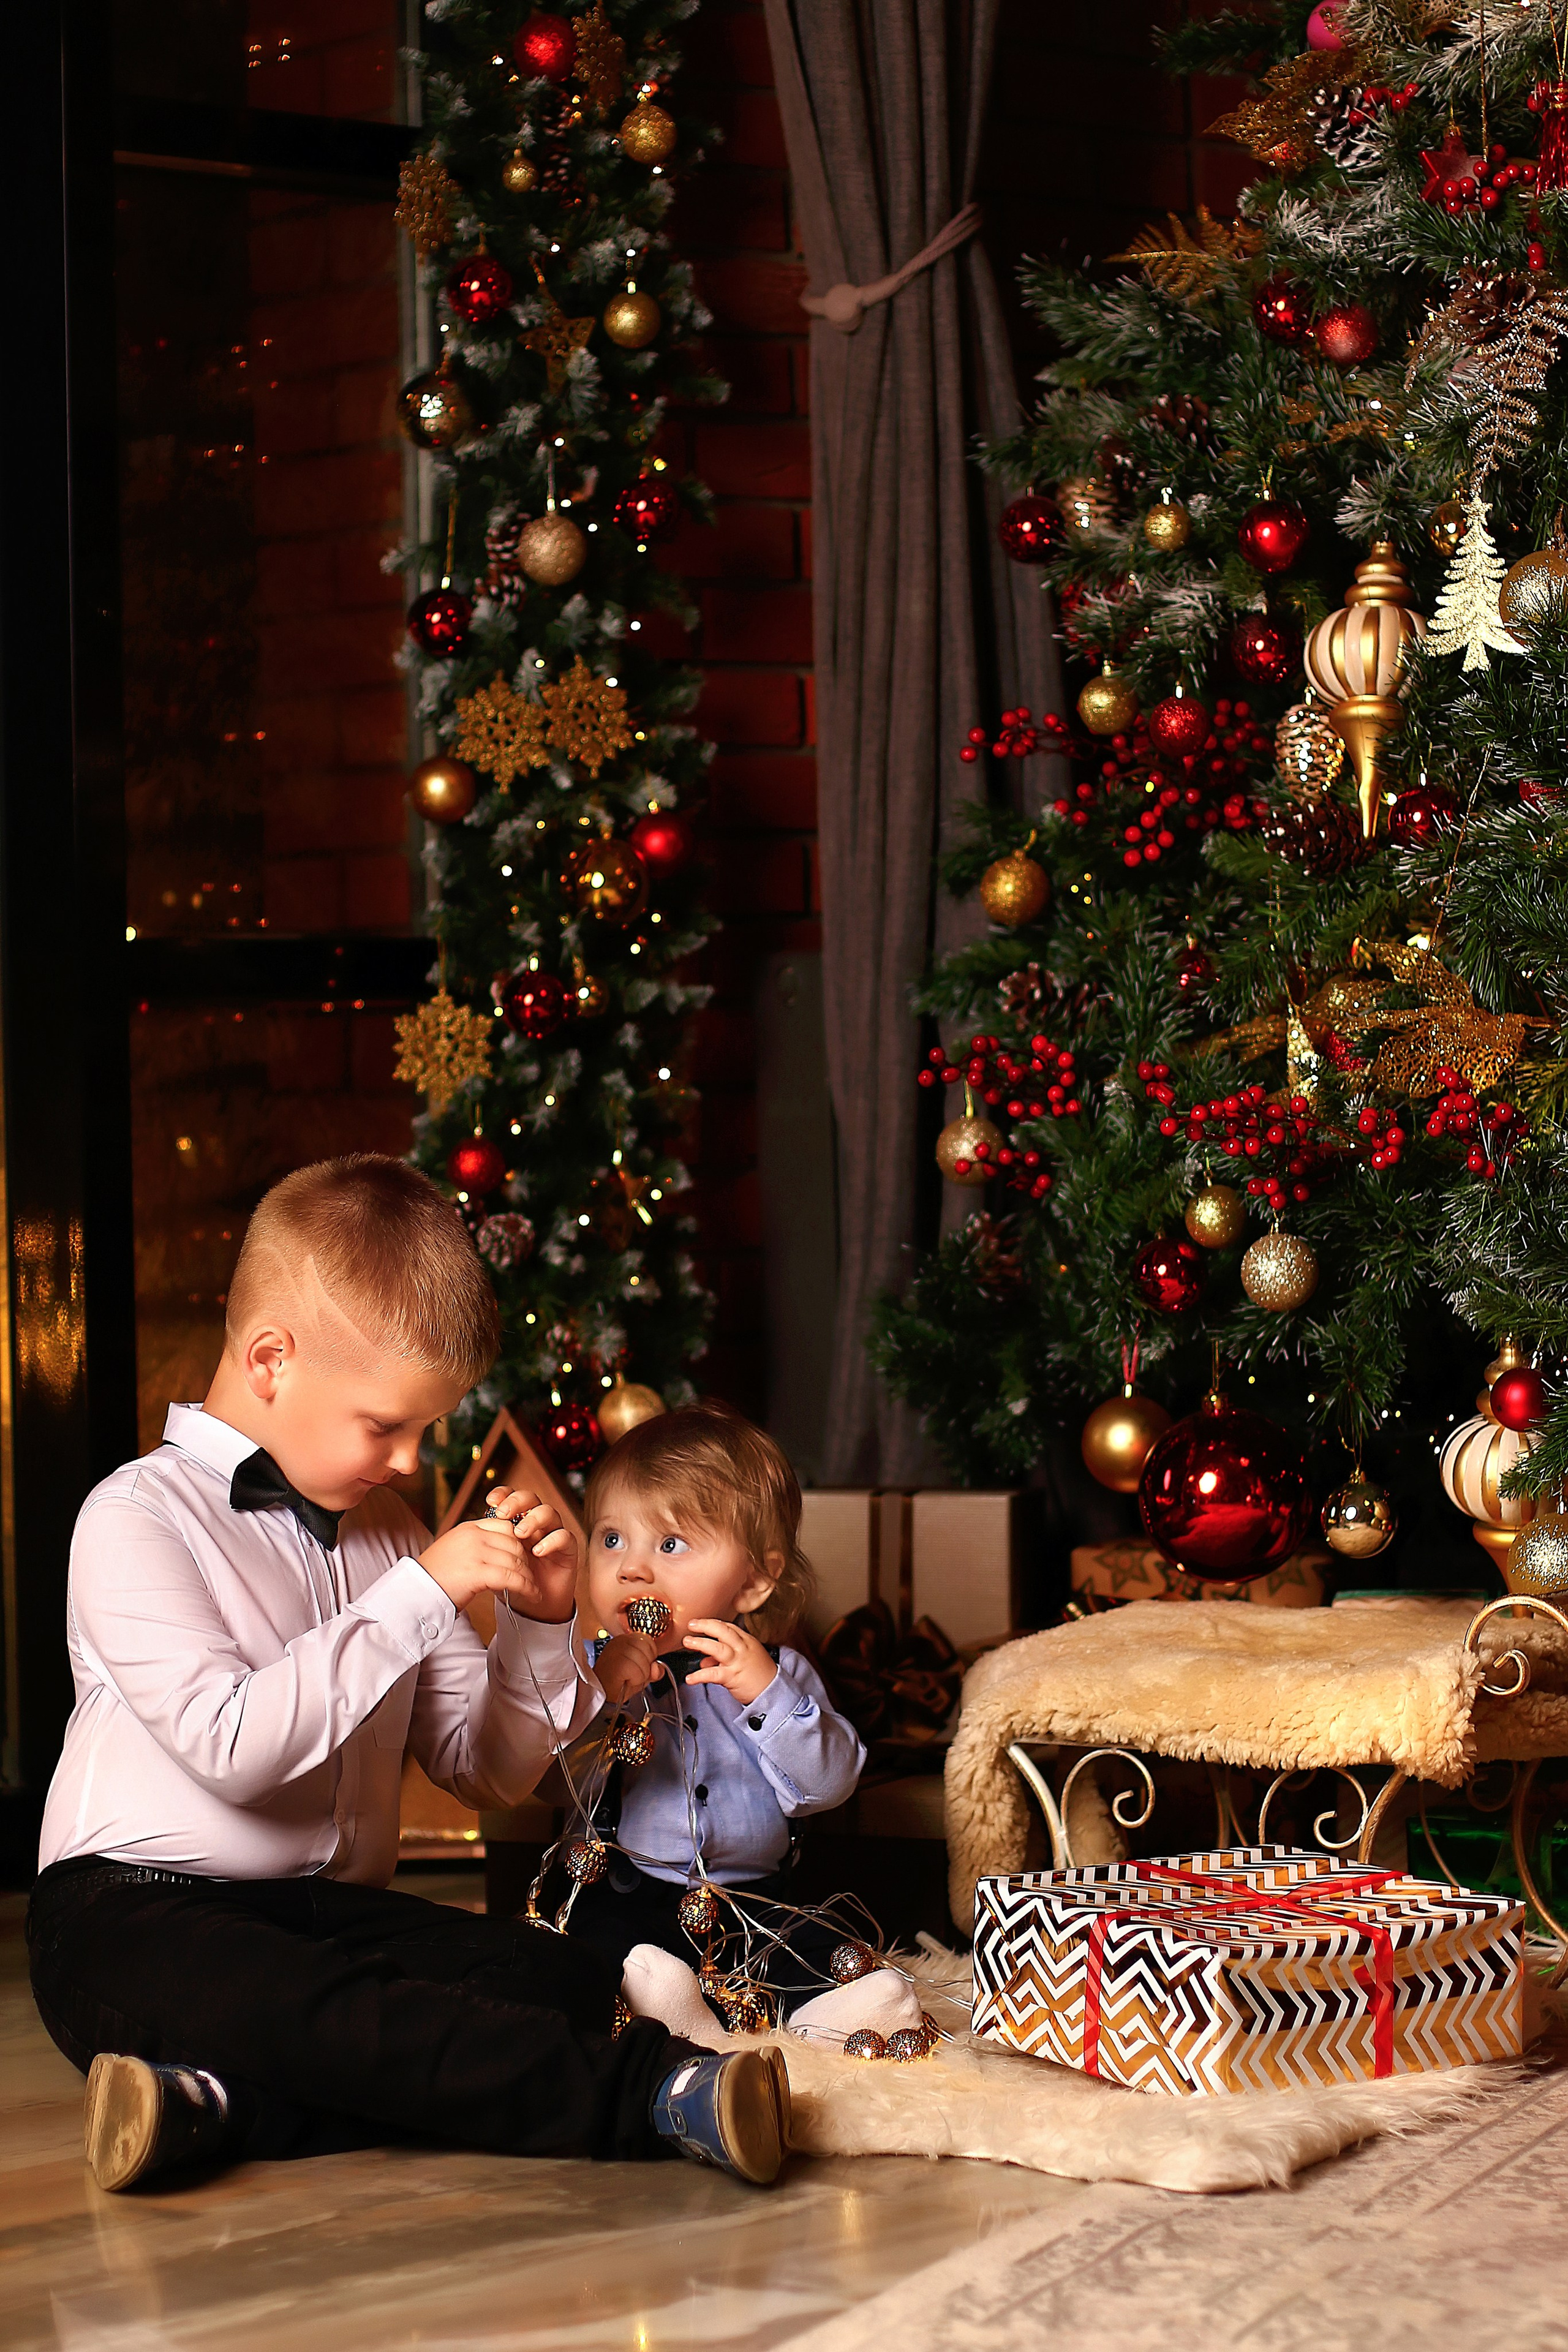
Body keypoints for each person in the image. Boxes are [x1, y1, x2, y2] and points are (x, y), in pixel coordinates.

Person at [26, 1156, 788, 2193]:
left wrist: (536, 1621)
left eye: (424, 1427)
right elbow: (232, 1748)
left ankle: (217, 2102)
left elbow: (485, 1769)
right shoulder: (132, 1517)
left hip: (326, 1912)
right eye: (386, 1425)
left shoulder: (387, 1537)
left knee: (551, 1977)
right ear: (270, 1362)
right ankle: (655, 2097)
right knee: (319, 2010)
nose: (406, 1458)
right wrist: (421, 1594)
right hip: (134, 1913)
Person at [564, 1404, 926, 2051]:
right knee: (600, 1957)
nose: (631, 1568)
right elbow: (550, 1778)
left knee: (820, 1949)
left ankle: (827, 2018)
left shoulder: (777, 1674)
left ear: (755, 1581)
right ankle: (668, 2015)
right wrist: (598, 1697)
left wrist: (766, 1694)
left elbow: (828, 1784)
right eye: (611, 1538)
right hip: (630, 1895)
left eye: (669, 1545)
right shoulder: (583, 1669)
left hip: (754, 1904)